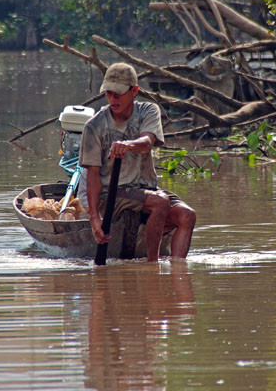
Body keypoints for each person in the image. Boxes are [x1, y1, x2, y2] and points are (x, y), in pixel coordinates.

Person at [78, 62, 196, 262]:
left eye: (118, 94)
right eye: (108, 93)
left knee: (187, 216)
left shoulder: (148, 111)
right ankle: (153, 266)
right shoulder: (94, 126)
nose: (112, 99)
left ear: (134, 91)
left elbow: (147, 142)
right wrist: (94, 218)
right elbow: (93, 176)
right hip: (111, 195)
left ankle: (178, 272)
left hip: (143, 188)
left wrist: (128, 145)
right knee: (160, 202)